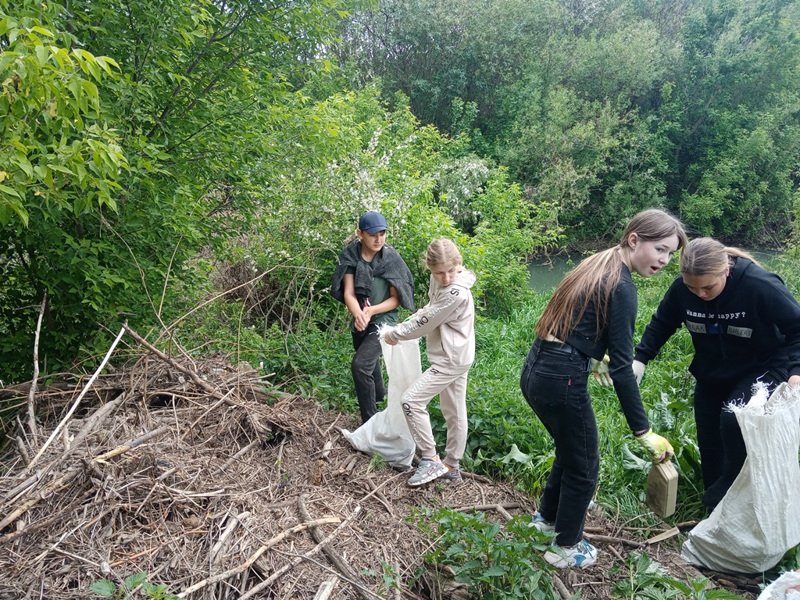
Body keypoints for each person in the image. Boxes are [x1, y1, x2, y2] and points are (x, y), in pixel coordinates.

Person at [520, 208, 687, 569]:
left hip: (537, 367)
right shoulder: (623, 286)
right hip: (561, 377)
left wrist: (595, 356)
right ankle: (566, 546)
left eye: (671, 253)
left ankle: (545, 520)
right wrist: (644, 432)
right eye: (660, 249)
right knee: (585, 465)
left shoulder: (600, 262)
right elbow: (625, 369)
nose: (665, 259)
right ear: (634, 240)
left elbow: (574, 319)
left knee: (571, 450)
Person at [633, 237, 800, 510]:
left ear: (725, 271)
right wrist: (641, 358)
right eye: (692, 288)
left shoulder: (759, 286)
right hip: (713, 372)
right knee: (710, 441)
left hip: (764, 367)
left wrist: (796, 369)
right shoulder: (682, 290)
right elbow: (663, 321)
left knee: (733, 420)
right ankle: (715, 509)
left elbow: (797, 328)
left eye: (708, 287)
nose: (700, 295)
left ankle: (737, 494)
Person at [383, 239, 476, 486]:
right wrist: (406, 322)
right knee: (454, 411)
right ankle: (452, 466)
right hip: (457, 354)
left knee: (411, 400)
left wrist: (396, 333)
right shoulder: (440, 281)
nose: (445, 278)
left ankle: (430, 458)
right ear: (430, 268)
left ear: (459, 264)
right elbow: (430, 308)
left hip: (451, 359)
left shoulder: (457, 293)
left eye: (451, 271)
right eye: (439, 272)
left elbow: (428, 321)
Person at [331, 211, 415, 424]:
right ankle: (382, 407)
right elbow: (349, 292)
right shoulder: (351, 255)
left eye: (383, 234)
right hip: (361, 319)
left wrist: (371, 311)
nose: (379, 239)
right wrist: (359, 313)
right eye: (373, 234)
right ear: (360, 234)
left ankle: (369, 424)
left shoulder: (390, 258)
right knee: (371, 367)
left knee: (360, 365)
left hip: (383, 321)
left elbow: (396, 299)